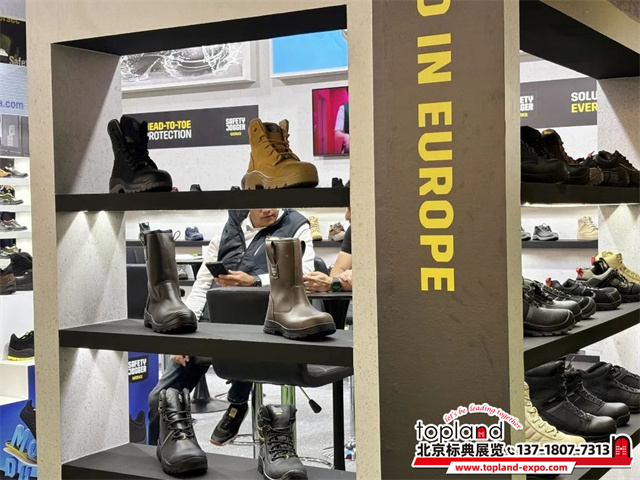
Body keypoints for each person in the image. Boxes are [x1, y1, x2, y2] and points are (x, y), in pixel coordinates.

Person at [148, 208, 316, 446]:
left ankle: (237, 402)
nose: (269, 210)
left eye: (274, 203)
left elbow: (305, 274)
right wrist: (184, 334)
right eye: (260, 204)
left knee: (244, 335)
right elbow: (203, 283)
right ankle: (165, 451)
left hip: (264, 324)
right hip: (213, 323)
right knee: (159, 398)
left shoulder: (296, 225)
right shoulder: (229, 228)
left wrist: (254, 281)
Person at [304, 207, 352, 292]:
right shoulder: (354, 230)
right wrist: (338, 281)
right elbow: (337, 272)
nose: (347, 216)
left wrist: (359, 277)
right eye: (348, 208)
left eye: (351, 209)